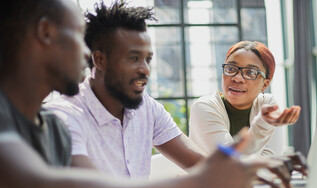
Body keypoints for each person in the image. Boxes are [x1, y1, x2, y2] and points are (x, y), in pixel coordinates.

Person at [0, 0, 288, 188]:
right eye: (78, 35)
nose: (87, 52)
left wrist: (247, 173)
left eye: (148, 59)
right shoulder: (58, 118)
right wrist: (198, 185)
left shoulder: (49, 126)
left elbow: (200, 165)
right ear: (46, 33)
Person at [44, 1, 204, 178]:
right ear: (99, 60)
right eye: (134, 58)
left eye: (147, 59)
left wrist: (228, 163)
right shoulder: (64, 118)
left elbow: (201, 165)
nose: (145, 69)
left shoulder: (147, 108)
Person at [190, 41, 301, 157]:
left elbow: (272, 163)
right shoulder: (203, 107)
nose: (237, 78)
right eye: (231, 69)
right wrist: (262, 124)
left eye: (250, 72)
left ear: (265, 84)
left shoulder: (267, 104)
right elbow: (232, 162)